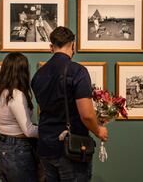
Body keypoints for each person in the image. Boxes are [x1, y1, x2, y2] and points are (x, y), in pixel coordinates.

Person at [31, 27, 108, 182]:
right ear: (73, 45)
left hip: (45, 146)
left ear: (51, 47)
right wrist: (98, 130)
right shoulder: (78, 71)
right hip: (70, 149)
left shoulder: (38, 74)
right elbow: (86, 114)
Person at [0, 52, 40, 182]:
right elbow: (28, 131)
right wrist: (49, 131)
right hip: (17, 150)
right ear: (22, 71)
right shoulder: (16, 95)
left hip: (1, 146)